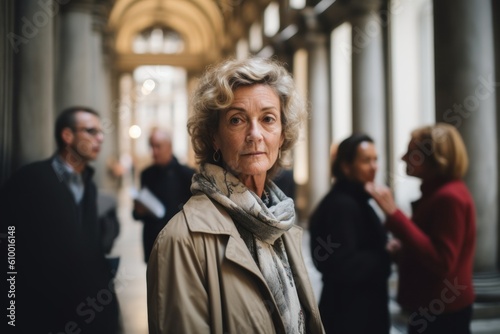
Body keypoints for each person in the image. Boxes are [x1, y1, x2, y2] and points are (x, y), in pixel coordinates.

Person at [147, 57, 325, 334]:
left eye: (268, 119)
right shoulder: (181, 241)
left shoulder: (281, 222)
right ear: (214, 136)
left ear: (282, 135)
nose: (255, 134)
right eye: (237, 119)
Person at [0, 107, 119, 333]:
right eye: (91, 131)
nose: (100, 138)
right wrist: (11, 313)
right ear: (67, 136)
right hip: (40, 316)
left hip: (84, 315)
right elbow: (9, 248)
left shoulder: (90, 186)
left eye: (101, 132)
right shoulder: (30, 180)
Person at [365, 123, 476, 334]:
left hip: (442, 311)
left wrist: (395, 215)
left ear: (435, 158)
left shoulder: (449, 197)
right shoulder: (439, 193)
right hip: (435, 306)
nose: (403, 158)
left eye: (411, 152)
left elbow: (442, 261)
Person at [309, 134, 392, 334]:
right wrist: (386, 254)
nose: (374, 167)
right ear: (346, 166)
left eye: (375, 159)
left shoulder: (357, 199)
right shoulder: (342, 205)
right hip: (350, 316)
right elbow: (341, 264)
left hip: (359, 311)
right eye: (366, 161)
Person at [132, 127, 195, 262]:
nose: (154, 152)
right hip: (153, 243)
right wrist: (138, 211)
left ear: (169, 147)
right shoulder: (146, 174)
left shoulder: (187, 174)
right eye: (151, 147)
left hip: (178, 244)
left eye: (158, 146)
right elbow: (138, 215)